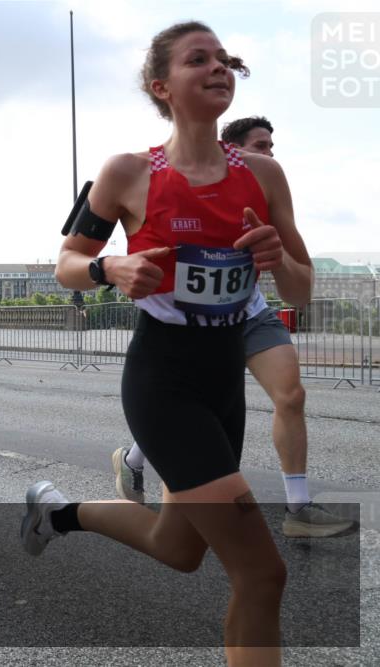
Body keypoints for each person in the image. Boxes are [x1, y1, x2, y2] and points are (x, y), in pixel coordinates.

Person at [20, 22, 315, 666]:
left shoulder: (264, 175)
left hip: (222, 381)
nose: (218, 68)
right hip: (163, 380)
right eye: (197, 60)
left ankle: (56, 513)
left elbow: (301, 288)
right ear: (162, 87)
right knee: (262, 575)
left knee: (179, 549)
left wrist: (275, 257)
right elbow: (67, 261)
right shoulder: (128, 171)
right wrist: (109, 269)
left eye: (224, 59)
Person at [113, 116, 351, 538]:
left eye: (272, 147)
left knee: (291, 395)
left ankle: (297, 507)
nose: (270, 155)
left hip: (251, 314)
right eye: (261, 146)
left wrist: (278, 259)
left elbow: (301, 288)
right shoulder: (168, 179)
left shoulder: (265, 186)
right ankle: (134, 460)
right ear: (232, 150)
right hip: (187, 332)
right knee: (184, 435)